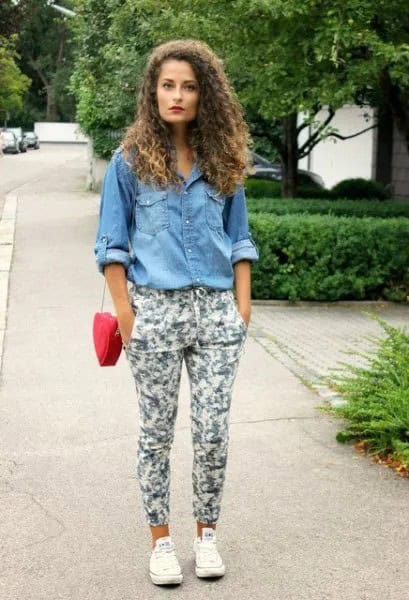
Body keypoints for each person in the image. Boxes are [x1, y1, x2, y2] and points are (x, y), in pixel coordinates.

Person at [94, 39, 259, 586]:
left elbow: (240, 239)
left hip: (216, 316)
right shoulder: (129, 162)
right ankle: (160, 543)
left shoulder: (223, 160)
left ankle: (207, 536)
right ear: (153, 92)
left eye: (189, 85)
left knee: (213, 432)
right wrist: (127, 317)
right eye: (168, 85)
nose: (178, 95)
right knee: (156, 434)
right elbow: (111, 246)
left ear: (204, 93)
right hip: (154, 313)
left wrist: (242, 306)